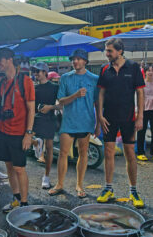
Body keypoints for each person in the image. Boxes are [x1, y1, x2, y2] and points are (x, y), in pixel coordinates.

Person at [96, 38, 145, 208]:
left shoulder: (133, 67)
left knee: (130, 153)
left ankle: (133, 190)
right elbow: (101, 94)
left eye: (109, 51)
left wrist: (140, 117)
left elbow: (140, 93)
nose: (107, 54)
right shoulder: (104, 69)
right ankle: (108, 188)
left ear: (119, 51)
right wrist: (100, 116)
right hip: (108, 117)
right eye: (106, 50)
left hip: (128, 118)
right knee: (108, 152)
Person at [0, 48, 35, 212]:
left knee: (19, 168)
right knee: (8, 166)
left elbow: (31, 109)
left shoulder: (25, 81)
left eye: (0, 60)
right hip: (4, 131)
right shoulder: (1, 84)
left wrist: (28, 134)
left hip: (19, 133)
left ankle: (24, 202)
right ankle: (16, 197)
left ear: (9, 60)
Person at [48, 49, 99, 198]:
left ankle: (79, 185)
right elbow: (61, 101)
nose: (75, 61)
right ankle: (60, 184)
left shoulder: (94, 79)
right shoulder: (65, 78)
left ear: (85, 62)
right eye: (73, 59)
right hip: (69, 122)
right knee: (63, 153)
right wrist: (76, 95)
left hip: (86, 121)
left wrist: (98, 124)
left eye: (78, 59)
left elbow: (97, 102)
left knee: (83, 154)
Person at [30, 62, 60, 190]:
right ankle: (37, 143)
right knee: (27, 138)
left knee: (49, 149)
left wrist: (50, 107)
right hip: (36, 119)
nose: (35, 74)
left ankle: (46, 177)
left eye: (38, 71)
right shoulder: (33, 88)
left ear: (45, 72)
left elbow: (61, 105)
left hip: (49, 119)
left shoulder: (55, 87)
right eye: (34, 71)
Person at [136, 65, 153, 161]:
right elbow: (137, 97)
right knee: (141, 131)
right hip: (144, 109)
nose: (150, 72)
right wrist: (137, 110)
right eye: (148, 71)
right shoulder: (141, 83)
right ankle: (140, 152)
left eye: (152, 71)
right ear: (145, 72)